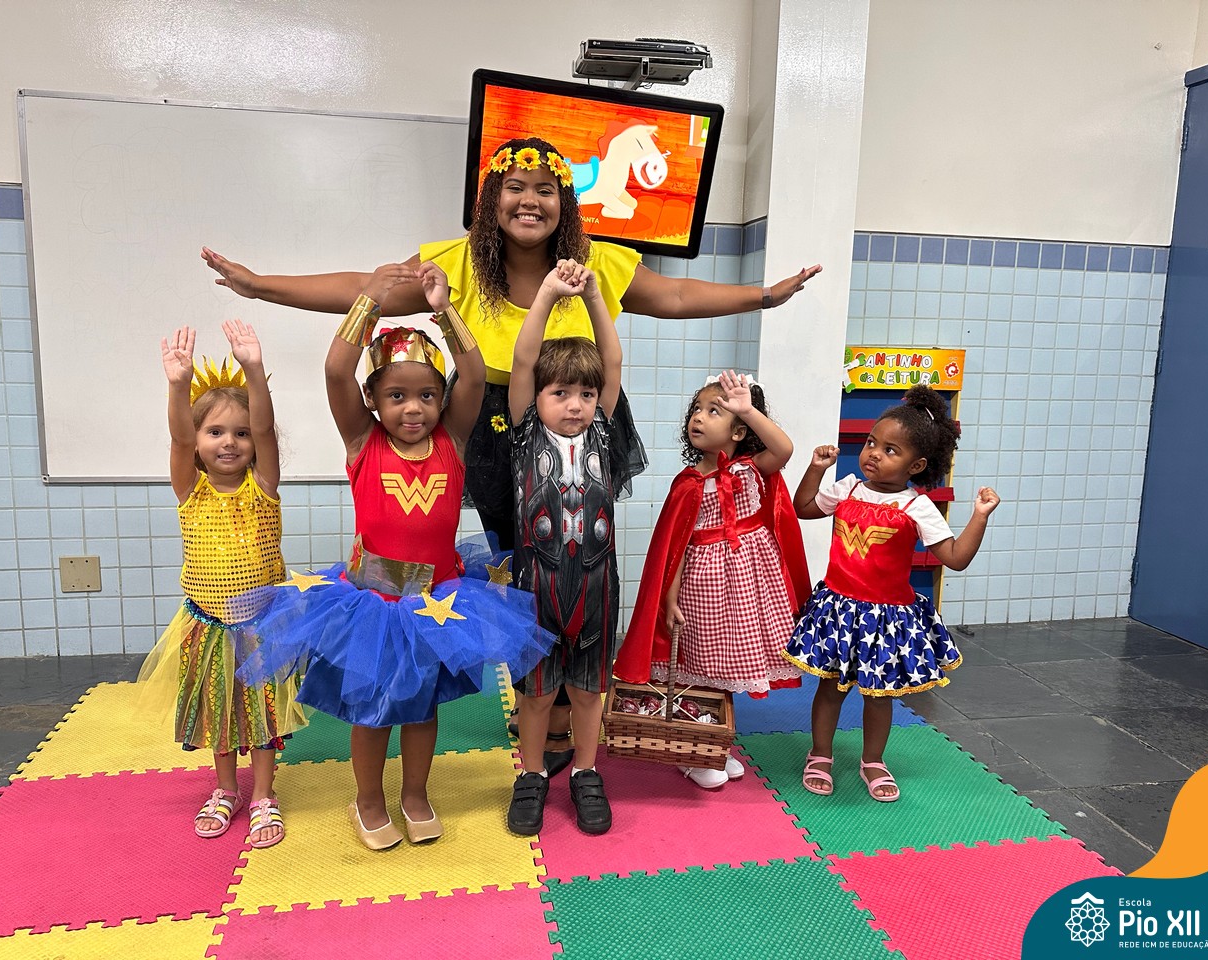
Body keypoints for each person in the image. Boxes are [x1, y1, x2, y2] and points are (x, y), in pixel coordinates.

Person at [202, 134, 820, 773]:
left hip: (580, 416)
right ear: (492, 201)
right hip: (490, 419)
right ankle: (536, 699)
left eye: (545, 190)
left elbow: (678, 296)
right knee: (521, 566)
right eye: (515, 188)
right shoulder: (458, 263)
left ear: (564, 203)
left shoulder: (597, 263)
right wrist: (259, 286)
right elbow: (366, 286)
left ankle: (568, 706)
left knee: (577, 555)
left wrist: (764, 297)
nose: (530, 201)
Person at [235, 263, 553, 850]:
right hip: (372, 604)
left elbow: (475, 374)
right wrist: (368, 301)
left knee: (422, 707)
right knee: (371, 709)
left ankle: (415, 795)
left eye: (428, 395)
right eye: (397, 396)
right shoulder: (363, 442)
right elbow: (336, 371)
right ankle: (368, 800)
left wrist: (446, 310)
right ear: (372, 400)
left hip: (437, 599)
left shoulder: (452, 441)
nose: (414, 408)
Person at [783, 384, 1001, 802]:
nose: (873, 454)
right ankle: (820, 754)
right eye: (871, 443)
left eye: (890, 450)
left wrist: (979, 516)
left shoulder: (917, 507)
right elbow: (803, 508)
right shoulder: (847, 488)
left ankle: (873, 761)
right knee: (830, 688)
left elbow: (955, 558)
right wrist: (816, 468)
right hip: (839, 610)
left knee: (879, 696)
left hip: (885, 619)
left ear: (915, 465)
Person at [138, 320, 306, 849]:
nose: (229, 442)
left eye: (239, 432)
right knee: (219, 711)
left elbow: (266, 431)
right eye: (215, 432)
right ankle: (227, 789)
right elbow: (178, 436)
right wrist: (178, 385)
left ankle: (264, 795)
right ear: (198, 442)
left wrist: (255, 369)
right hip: (207, 624)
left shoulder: (264, 487)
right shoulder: (191, 490)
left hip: (261, 624)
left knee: (263, 713)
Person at [613, 371, 811, 789]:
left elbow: (784, 449)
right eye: (697, 410)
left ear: (739, 431)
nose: (699, 418)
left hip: (749, 586)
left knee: (728, 666)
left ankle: (715, 745)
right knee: (698, 669)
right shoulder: (688, 483)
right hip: (705, 586)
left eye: (714, 411)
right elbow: (675, 549)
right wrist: (669, 600)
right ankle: (694, 751)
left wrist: (747, 410)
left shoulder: (750, 470)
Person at [505, 259, 626, 837]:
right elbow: (523, 360)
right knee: (536, 694)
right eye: (560, 393)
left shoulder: (603, 432)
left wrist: (596, 297)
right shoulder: (526, 433)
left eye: (585, 394)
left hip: (598, 587)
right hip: (536, 588)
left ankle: (584, 772)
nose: (575, 404)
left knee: (587, 691)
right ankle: (531, 775)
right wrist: (549, 294)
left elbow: (612, 361)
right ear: (538, 397)